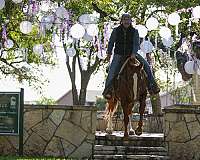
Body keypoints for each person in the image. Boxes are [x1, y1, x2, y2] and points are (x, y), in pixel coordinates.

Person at [102, 13, 160, 99]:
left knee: (147, 66)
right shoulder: (116, 30)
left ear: (130, 21)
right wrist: (109, 54)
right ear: (121, 21)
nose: (126, 21)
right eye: (125, 19)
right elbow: (111, 42)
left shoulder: (135, 31)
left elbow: (136, 44)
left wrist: (133, 53)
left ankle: (152, 86)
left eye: (128, 19)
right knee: (112, 71)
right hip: (119, 54)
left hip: (132, 54)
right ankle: (108, 90)